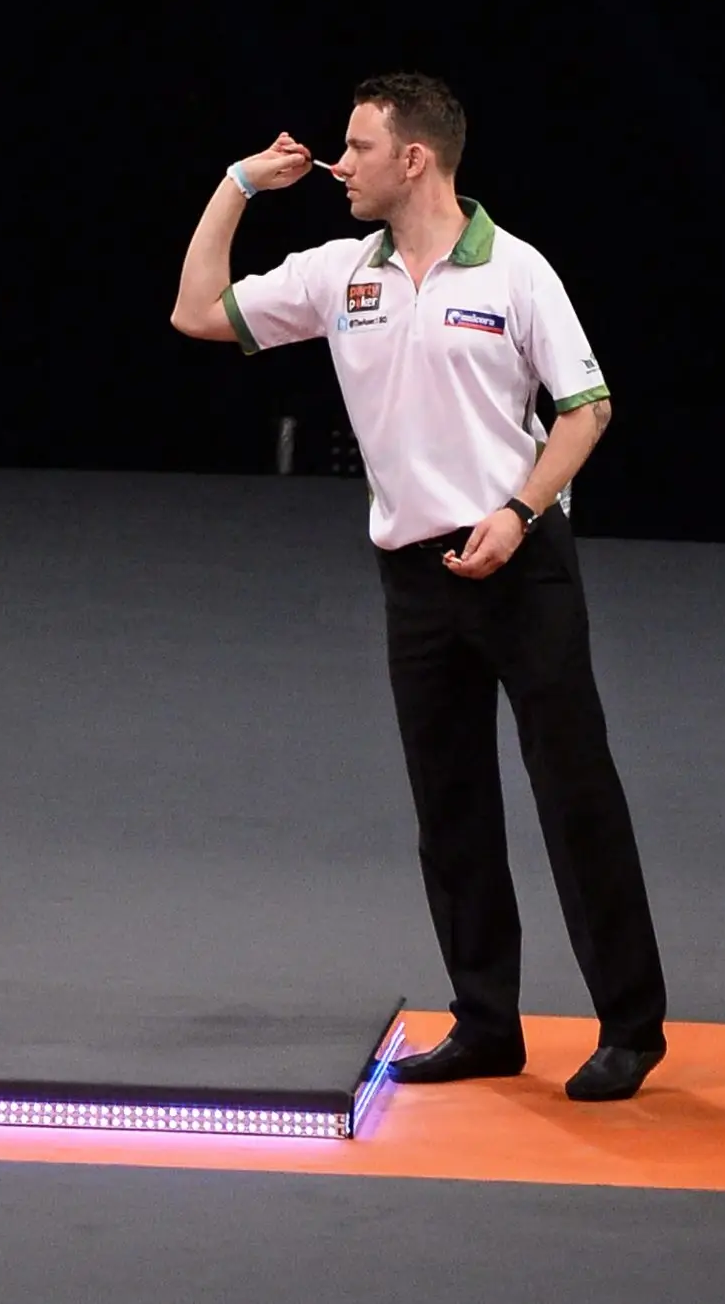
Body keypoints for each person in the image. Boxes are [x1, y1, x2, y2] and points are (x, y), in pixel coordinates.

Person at [173, 71, 670, 1102]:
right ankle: (485, 1021)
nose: (336, 164)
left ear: (416, 158)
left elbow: (586, 408)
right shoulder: (336, 272)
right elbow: (195, 313)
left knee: (575, 794)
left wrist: (519, 510)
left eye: (354, 147)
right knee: (448, 808)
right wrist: (237, 182)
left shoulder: (517, 270)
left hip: (521, 564)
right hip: (413, 576)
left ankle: (629, 1025)